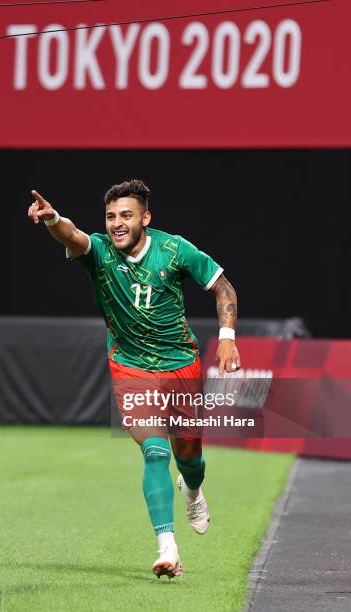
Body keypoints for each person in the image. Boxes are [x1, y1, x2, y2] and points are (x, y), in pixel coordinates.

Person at [28, 179, 241, 578]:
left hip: (180, 363)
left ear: (146, 217)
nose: (116, 224)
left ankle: (192, 491)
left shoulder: (175, 249)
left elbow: (223, 287)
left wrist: (227, 339)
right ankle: (168, 549)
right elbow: (71, 233)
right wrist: (52, 218)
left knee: (189, 457)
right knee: (155, 451)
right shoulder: (99, 253)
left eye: (126, 215)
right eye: (110, 216)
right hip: (130, 365)